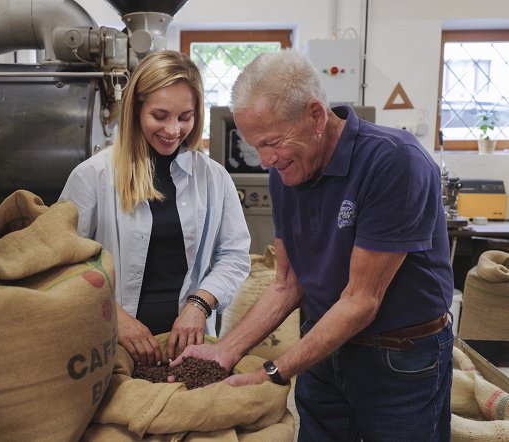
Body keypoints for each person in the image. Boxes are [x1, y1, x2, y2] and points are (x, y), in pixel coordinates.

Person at [172, 48, 454, 441]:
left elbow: (360, 300)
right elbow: (287, 283)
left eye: (271, 143)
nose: (265, 161)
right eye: (256, 147)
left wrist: (275, 370)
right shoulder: (286, 170)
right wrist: (227, 350)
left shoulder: (394, 161)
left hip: (398, 359)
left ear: (316, 116)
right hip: (323, 349)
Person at [59, 50, 251, 368]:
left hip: (190, 345)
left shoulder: (213, 177)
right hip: (110, 343)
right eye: (160, 116)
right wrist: (116, 318)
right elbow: (65, 260)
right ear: (136, 110)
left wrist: (199, 305)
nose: (173, 130)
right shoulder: (94, 176)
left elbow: (234, 255)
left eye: (185, 117)